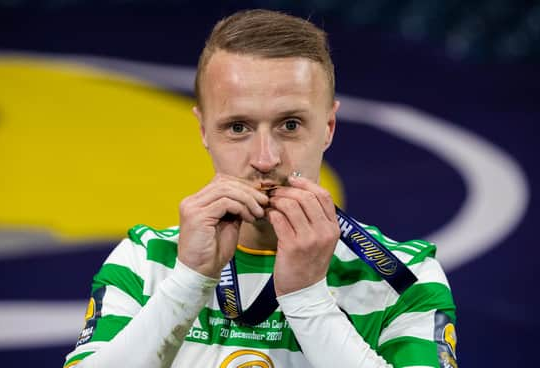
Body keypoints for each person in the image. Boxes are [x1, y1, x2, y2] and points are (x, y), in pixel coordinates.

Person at [63, 9, 457, 368]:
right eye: (238, 127)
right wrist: (186, 283)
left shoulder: (407, 276)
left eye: (290, 125)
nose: (266, 159)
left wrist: (308, 300)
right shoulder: (145, 261)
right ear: (204, 131)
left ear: (328, 128)